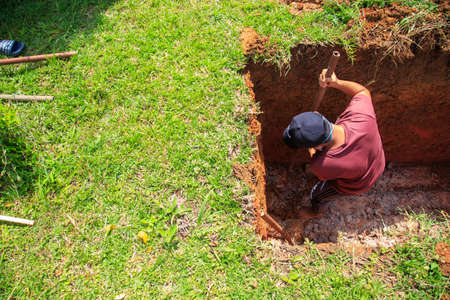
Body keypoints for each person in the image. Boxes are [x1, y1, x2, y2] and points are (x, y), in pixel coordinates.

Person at [282, 69, 385, 211]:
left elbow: (319, 170)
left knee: (318, 194)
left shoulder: (323, 165)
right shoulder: (360, 117)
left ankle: (315, 211)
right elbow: (362, 92)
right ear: (321, 117)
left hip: (359, 183)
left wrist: (311, 149)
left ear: (317, 145)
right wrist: (336, 82)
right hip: (378, 162)